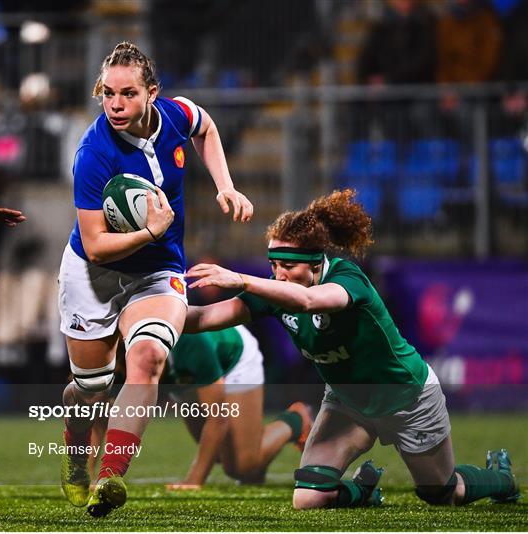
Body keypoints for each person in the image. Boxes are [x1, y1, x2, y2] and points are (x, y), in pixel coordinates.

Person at [184, 188, 520, 509]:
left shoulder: (347, 278)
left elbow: (308, 301)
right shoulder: (276, 291)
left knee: (443, 493)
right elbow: (203, 318)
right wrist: (147, 316)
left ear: (316, 264)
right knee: (308, 499)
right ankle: (362, 491)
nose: (278, 275)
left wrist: (242, 279)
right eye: (274, 265)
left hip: (406, 398)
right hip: (348, 403)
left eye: (288, 265)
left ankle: (500, 478)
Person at [58, 41, 253, 518]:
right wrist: (149, 230)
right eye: (107, 93)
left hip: (158, 269)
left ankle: (109, 479)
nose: (116, 104)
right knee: (91, 387)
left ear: (152, 93)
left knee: (147, 358)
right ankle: (75, 445)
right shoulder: (93, 153)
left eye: (127, 93)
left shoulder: (175, 116)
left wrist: (224, 184)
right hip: (93, 273)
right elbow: (97, 243)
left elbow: (205, 126)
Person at [163, 327, 313, 488]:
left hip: (233, 357)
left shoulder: (190, 343)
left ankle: (295, 420)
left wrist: (193, 481)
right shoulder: (137, 355)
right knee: (218, 451)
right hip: (186, 372)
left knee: (241, 467)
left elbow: (218, 419)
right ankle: (255, 462)